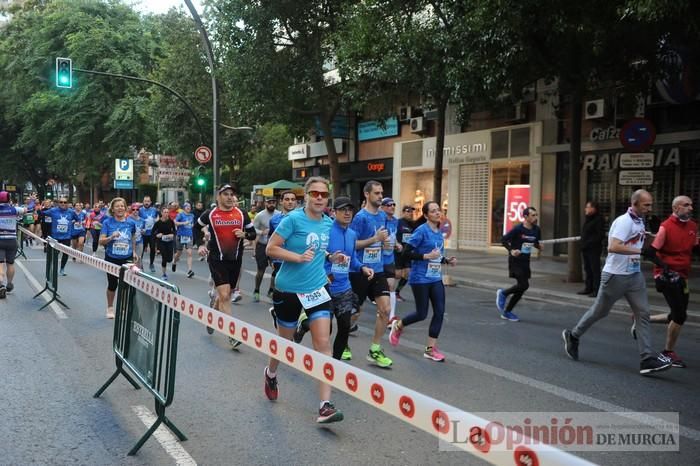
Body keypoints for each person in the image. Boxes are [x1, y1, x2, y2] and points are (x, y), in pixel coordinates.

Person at [562, 189, 673, 375]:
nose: (649, 208)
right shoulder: (624, 221)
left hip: (634, 275)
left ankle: (647, 359)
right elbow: (613, 246)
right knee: (600, 312)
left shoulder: (639, 221)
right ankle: (573, 335)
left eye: (650, 205)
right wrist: (640, 252)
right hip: (615, 276)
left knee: (643, 313)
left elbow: (640, 245)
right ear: (635, 204)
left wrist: (653, 235)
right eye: (646, 205)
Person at [264, 176, 344, 424]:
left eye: (324, 194)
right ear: (306, 196)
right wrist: (297, 258)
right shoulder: (292, 219)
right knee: (285, 342)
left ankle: (325, 406)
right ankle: (271, 372)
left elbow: (321, 250)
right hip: (288, 289)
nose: (320, 198)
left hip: (317, 288)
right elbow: (271, 248)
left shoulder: (328, 223)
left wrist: (334, 256)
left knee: (323, 343)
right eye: (315, 194)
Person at [389, 201, 457, 361]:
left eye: (438, 210)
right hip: (420, 278)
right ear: (426, 215)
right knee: (422, 313)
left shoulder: (439, 233)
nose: (437, 213)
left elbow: (436, 255)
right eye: (433, 211)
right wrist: (425, 256)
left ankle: (430, 349)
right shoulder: (421, 231)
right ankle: (398, 325)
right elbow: (406, 253)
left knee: (439, 312)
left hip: (435, 278)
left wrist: (447, 260)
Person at [639, 195, 697, 368]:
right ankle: (667, 353)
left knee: (677, 315)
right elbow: (650, 252)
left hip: (683, 276)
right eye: (686, 205)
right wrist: (664, 267)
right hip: (666, 276)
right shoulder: (666, 227)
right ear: (676, 208)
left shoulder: (693, 226)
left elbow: (693, 248)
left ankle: (643, 320)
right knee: (680, 315)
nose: (690, 208)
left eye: (691, 205)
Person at [197, 184, 256, 346]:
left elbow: (253, 234)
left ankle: (212, 315)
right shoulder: (210, 214)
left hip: (235, 260)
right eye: (226, 194)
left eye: (232, 194)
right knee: (224, 296)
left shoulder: (242, 214)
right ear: (218, 197)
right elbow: (196, 227)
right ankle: (232, 333)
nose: (230, 197)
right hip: (216, 259)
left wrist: (244, 234)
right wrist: (200, 245)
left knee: (225, 295)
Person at [349, 180, 393, 368]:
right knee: (354, 312)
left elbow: (381, 241)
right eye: (376, 193)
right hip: (360, 270)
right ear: (367, 195)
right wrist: (375, 239)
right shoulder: (360, 218)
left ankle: (375, 348)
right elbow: (352, 244)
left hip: (378, 270)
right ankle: (342, 341)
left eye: (381, 192)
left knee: (385, 309)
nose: (380, 196)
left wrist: (385, 244)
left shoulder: (382, 216)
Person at [496, 207, 542, 321]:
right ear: (525, 217)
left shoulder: (536, 230)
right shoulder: (518, 229)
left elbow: (535, 242)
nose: (535, 217)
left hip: (526, 261)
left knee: (521, 288)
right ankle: (503, 293)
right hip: (515, 261)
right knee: (523, 285)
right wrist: (511, 250)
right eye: (533, 215)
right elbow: (503, 240)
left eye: (536, 215)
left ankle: (507, 312)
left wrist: (539, 246)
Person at [99, 197, 138, 318]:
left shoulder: (131, 222)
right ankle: (110, 308)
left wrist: (134, 252)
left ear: (125, 208)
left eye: (122, 206)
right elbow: (101, 241)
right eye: (117, 206)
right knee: (112, 284)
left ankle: (123, 307)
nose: (120, 208)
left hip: (127, 257)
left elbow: (133, 238)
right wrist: (111, 237)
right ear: (113, 209)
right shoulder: (107, 222)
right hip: (112, 257)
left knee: (126, 284)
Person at [267, 190, 297, 326]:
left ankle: (279, 312)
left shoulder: (301, 218)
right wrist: (272, 260)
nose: (290, 202)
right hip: (280, 259)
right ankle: (280, 313)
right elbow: (270, 240)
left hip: (297, 258)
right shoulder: (274, 220)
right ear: (281, 202)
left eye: (292, 199)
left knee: (295, 292)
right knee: (285, 292)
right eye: (287, 199)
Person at [43, 197, 80, 276]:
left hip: (66, 237)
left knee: (65, 253)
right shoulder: (53, 210)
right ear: (58, 203)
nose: (63, 204)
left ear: (67, 203)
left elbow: (77, 219)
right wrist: (41, 208)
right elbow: (43, 213)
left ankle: (62, 269)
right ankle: (53, 268)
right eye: (61, 202)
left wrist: (73, 223)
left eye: (65, 202)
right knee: (54, 254)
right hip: (55, 237)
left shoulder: (71, 212)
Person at [252, 196, 279, 301]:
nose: (271, 204)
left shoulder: (279, 215)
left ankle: (271, 290)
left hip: (275, 246)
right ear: (265, 204)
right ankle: (257, 290)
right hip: (262, 245)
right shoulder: (260, 215)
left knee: (276, 269)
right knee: (261, 270)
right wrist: (261, 232)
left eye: (273, 202)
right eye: (269, 202)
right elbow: (253, 228)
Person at [0, 191, 26, 298]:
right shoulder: (14, 209)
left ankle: (1, 285)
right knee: (10, 263)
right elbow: (25, 210)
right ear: (9, 199)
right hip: (12, 240)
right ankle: (9, 283)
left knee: (0, 263)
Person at [380, 197, 401, 323]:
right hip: (377, 260)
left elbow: (393, 237)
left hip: (389, 259)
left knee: (391, 285)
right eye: (388, 205)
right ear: (382, 207)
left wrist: (397, 244)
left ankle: (391, 317)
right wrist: (381, 245)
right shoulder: (379, 220)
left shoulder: (395, 221)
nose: (392, 207)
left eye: (393, 204)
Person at [578, 201, 604, 297]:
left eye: (587, 207)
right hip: (586, 248)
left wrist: (589, 243)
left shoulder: (598, 219)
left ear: (593, 208)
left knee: (595, 269)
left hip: (593, 249)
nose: (586, 209)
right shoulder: (588, 219)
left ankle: (597, 290)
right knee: (587, 268)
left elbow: (599, 235)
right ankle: (588, 287)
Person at [394, 205, 416, 302]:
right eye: (408, 211)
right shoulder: (398, 222)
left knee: (407, 274)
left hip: (407, 253)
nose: (410, 213)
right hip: (398, 252)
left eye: (411, 211)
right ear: (403, 212)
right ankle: (384, 290)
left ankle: (396, 292)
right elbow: (392, 234)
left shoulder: (413, 224)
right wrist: (396, 243)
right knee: (397, 275)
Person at [153, 206, 176, 281]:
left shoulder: (171, 221)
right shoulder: (158, 223)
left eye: (167, 212)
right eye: (165, 212)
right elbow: (153, 232)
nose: (166, 214)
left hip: (169, 241)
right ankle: (164, 274)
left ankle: (172, 262)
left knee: (169, 259)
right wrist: (157, 235)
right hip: (161, 242)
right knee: (164, 257)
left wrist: (172, 234)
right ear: (162, 213)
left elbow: (175, 231)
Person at [173, 202, 195, 278]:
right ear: (184, 208)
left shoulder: (192, 215)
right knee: (179, 253)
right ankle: (174, 262)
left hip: (189, 236)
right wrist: (183, 223)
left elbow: (192, 224)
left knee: (189, 253)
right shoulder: (180, 214)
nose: (189, 208)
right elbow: (175, 222)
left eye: (189, 207)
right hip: (180, 236)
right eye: (187, 207)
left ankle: (189, 270)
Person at [139, 196, 158, 273]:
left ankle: (151, 264)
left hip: (152, 233)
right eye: (145, 201)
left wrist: (156, 220)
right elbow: (136, 218)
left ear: (150, 202)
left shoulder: (154, 210)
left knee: (153, 248)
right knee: (142, 250)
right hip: (143, 233)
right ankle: (140, 265)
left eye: (148, 201)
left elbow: (158, 217)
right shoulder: (139, 210)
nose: (147, 203)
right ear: (143, 202)